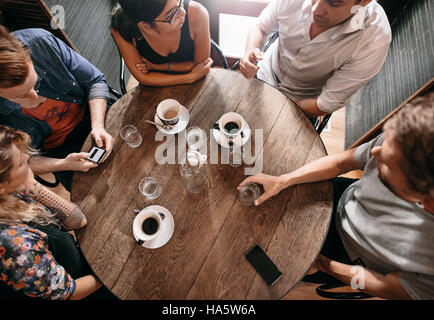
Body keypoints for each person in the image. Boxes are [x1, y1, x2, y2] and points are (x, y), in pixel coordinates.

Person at [238, 92, 434, 300]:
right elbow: (343, 162)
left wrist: (325, 265)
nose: (375, 153)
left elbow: (387, 287)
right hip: (342, 196)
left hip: (342, 256)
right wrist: (284, 180)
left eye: (386, 163)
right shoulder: (404, 142)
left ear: (427, 202)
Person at [0, 125, 117, 300]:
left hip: (67, 264)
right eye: (20, 162)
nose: (27, 158)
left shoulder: (3, 193)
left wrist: (32, 185)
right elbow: (68, 292)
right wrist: (108, 273)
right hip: (74, 287)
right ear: (0, 188)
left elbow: (77, 220)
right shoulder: (17, 247)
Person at [0, 20, 114, 191]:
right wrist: (64, 164)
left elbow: (95, 81)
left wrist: (98, 126)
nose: (35, 97)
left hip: (96, 113)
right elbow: (16, 163)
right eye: (19, 96)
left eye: (34, 83)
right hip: (62, 151)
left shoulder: (39, 42)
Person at [239, 0, 391, 119]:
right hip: (264, 72)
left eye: (334, 2)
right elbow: (261, 27)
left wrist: (280, 110)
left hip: (301, 103)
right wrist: (250, 51)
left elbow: (325, 103)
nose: (315, 10)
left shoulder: (374, 39)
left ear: (364, 1)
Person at [111, 0, 213, 88]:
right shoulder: (121, 28)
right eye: (171, 15)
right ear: (144, 25)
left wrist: (158, 67)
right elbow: (143, 78)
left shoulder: (197, 13)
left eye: (179, 1)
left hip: (198, 84)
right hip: (154, 90)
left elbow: (201, 65)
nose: (183, 12)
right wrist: (190, 77)